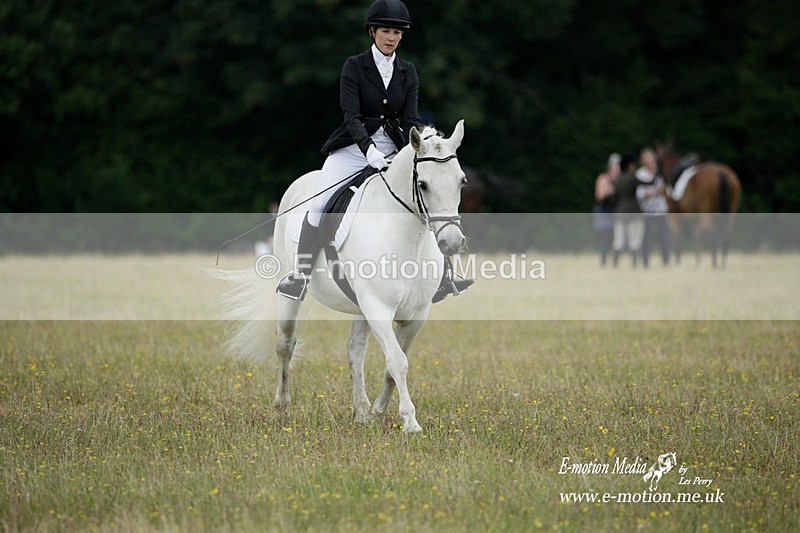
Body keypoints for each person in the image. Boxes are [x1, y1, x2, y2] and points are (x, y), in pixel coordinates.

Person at [276, 0, 472, 302]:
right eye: (385, 31)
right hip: (352, 149)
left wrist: (413, 148)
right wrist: (368, 151)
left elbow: (409, 120)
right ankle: (300, 276)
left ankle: (445, 277)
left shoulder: (408, 72)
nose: (391, 37)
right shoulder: (354, 66)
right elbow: (351, 117)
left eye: (397, 32)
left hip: (396, 149)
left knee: (427, 198)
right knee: (319, 206)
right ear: (372, 32)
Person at [635, 148, 670, 267]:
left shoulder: (660, 174)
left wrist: (663, 191)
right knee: (646, 237)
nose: (650, 163)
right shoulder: (640, 174)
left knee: (664, 237)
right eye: (647, 161)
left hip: (661, 210)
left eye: (652, 160)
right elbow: (639, 194)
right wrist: (654, 192)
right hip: (647, 211)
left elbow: (668, 190)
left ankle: (666, 261)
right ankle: (645, 262)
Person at [612, 154, 645, 267]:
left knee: (618, 240)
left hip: (620, 212)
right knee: (634, 240)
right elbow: (648, 184)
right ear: (630, 166)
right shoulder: (632, 178)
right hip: (634, 212)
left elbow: (613, 197)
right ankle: (634, 264)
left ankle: (615, 263)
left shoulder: (617, 180)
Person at [593, 153, 620, 266]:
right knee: (605, 237)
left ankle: (614, 262)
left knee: (617, 239)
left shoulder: (621, 180)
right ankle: (603, 261)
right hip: (604, 211)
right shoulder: (603, 178)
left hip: (616, 211)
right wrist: (611, 192)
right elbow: (599, 196)